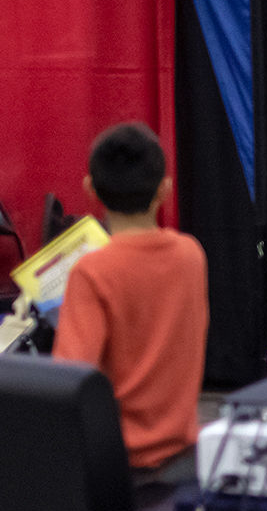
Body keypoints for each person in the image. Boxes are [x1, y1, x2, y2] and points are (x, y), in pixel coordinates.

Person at [53, 122, 209, 482]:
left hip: (118, 466)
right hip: (186, 459)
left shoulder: (91, 272)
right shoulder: (192, 255)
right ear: (165, 189)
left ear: (90, 189)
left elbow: (68, 381)